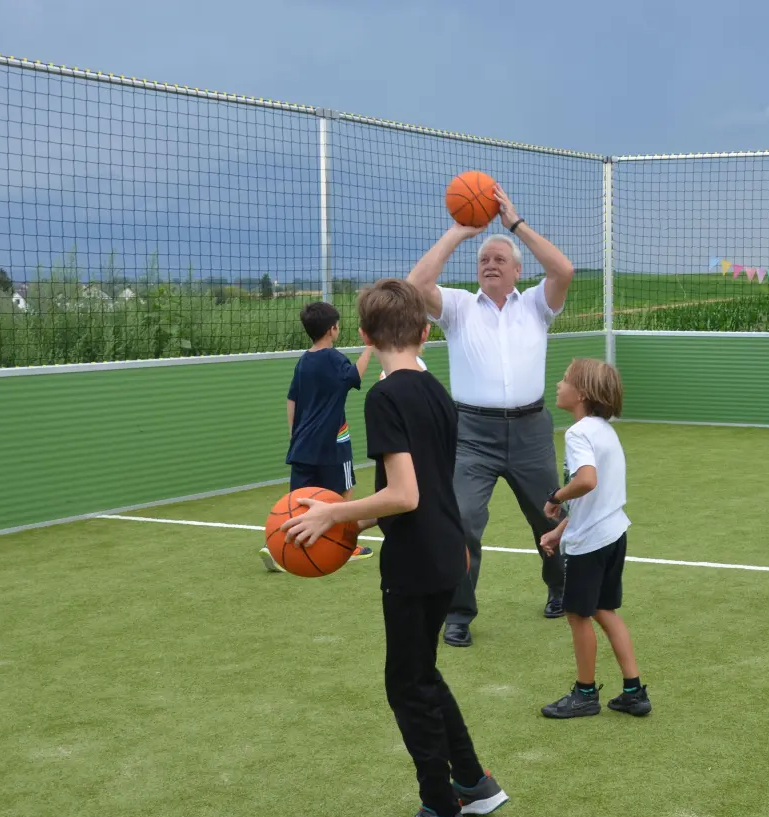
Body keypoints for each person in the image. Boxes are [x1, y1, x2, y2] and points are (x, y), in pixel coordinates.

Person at [283, 278, 508, 817]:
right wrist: (364, 525)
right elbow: (431, 485)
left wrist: (335, 510)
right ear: (425, 331)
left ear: (362, 336)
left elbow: (404, 494)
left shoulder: (383, 399)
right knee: (423, 674)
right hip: (445, 550)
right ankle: (473, 784)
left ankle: (442, 816)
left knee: (406, 686)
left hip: (414, 562)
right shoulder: (436, 390)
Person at [407, 185, 577, 647]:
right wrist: (459, 232)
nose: (491, 263)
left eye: (501, 258)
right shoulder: (459, 307)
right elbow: (415, 287)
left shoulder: (538, 305)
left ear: (518, 271)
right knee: (460, 521)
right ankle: (459, 613)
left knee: (550, 515)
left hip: (531, 431)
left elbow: (564, 269)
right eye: (484, 259)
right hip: (471, 434)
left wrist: (514, 225)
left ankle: (561, 589)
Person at [536, 359, 652, 719]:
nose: (558, 384)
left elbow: (586, 481)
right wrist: (559, 531)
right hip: (614, 532)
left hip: (593, 543)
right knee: (604, 610)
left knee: (577, 614)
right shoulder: (605, 430)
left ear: (581, 393)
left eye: (565, 380)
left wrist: (556, 496)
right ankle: (634, 691)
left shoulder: (578, 433)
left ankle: (585, 694)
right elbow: (595, 499)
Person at [260, 300, 374, 571]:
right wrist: (370, 347)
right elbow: (354, 377)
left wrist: (293, 435)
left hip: (303, 445)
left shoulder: (303, 361)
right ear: (333, 329)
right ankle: (349, 543)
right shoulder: (334, 358)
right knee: (344, 491)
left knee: (297, 500)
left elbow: (291, 400)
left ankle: (277, 548)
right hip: (334, 444)